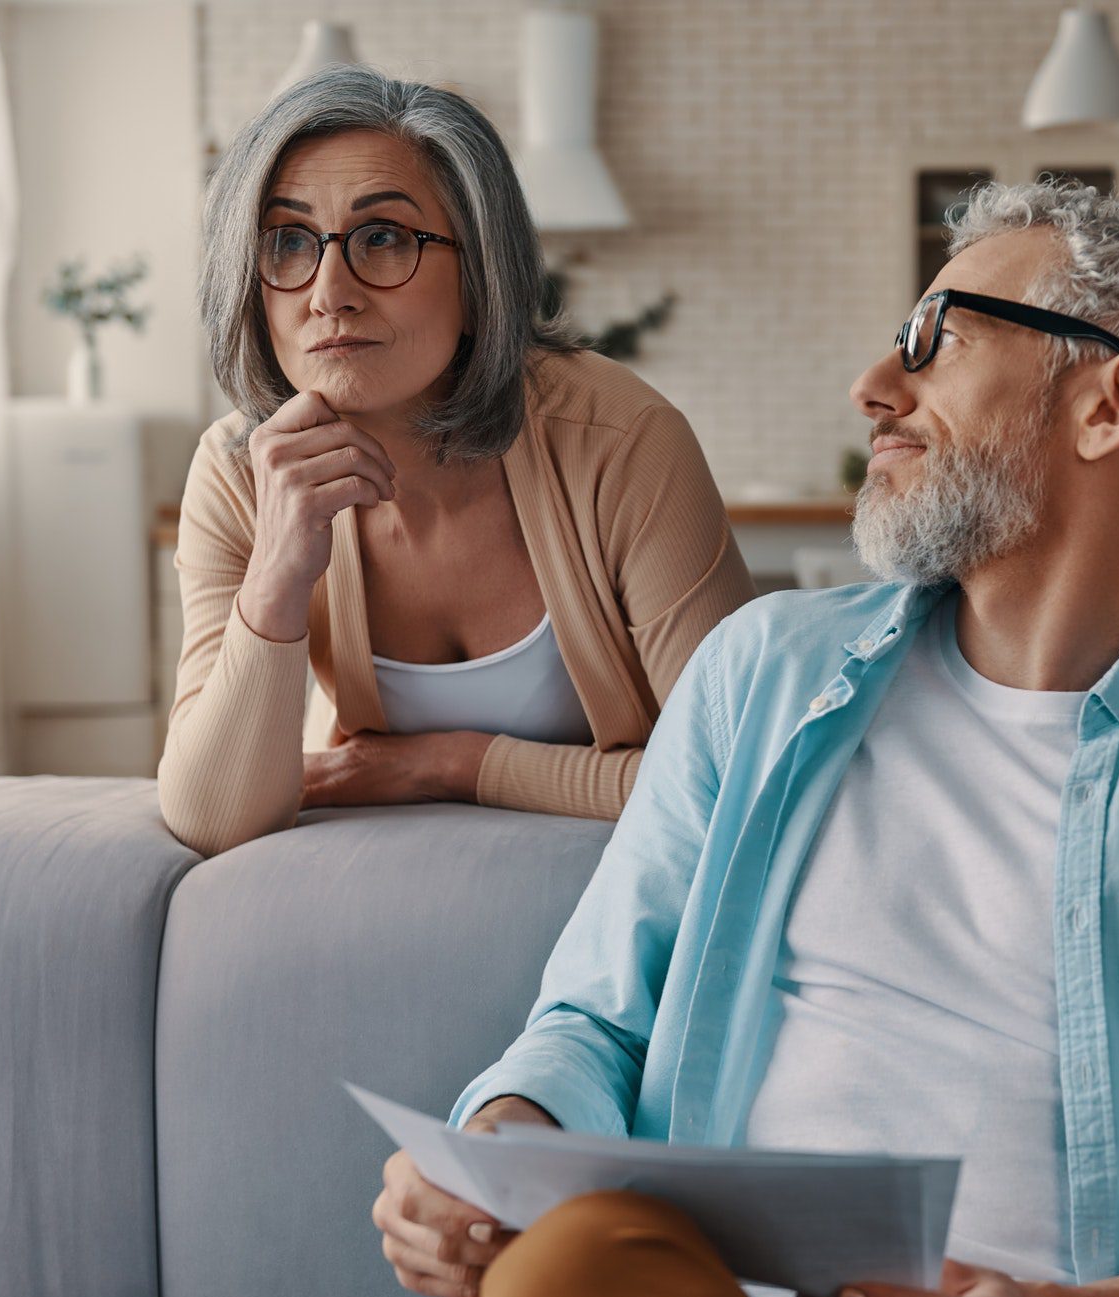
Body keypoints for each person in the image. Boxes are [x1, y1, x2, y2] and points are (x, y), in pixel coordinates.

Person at [372, 181, 1119, 1297]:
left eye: (933, 342)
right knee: (561, 1270)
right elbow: (594, 1024)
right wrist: (491, 1157)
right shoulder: (761, 672)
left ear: (1110, 400)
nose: (875, 388)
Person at [157, 68, 754, 856]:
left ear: (478, 276)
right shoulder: (238, 471)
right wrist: (275, 573)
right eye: (287, 243)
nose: (328, 292)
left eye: (383, 238)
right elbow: (209, 818)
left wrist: (449, 765)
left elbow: (735, 781)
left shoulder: (621, 439)